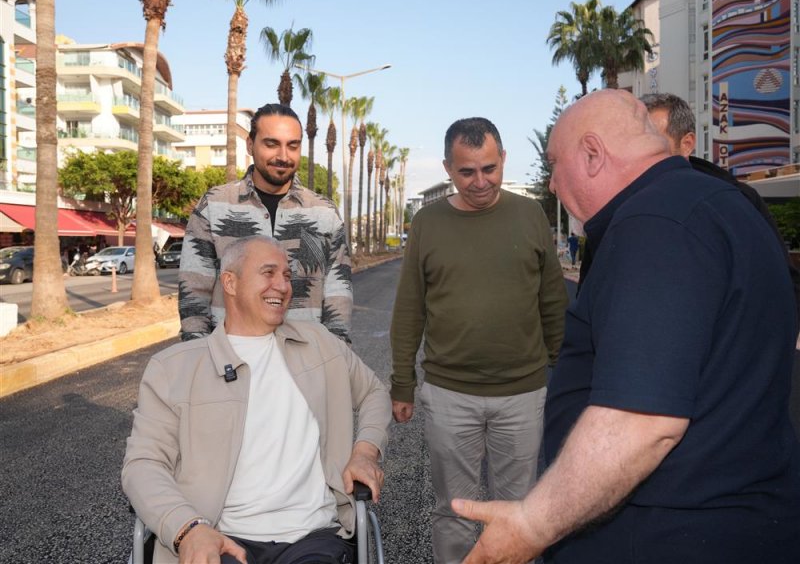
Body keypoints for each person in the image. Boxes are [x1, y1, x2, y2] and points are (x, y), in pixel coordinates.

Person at [452, 89, 800, 564]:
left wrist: (532, 525)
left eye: (555, 164)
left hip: (667, 533)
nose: (552, 184)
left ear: (593, 154)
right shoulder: (721, 202)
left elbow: (641, 423)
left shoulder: (656, 223)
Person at [122, 236, 390, 564]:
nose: (282, 286)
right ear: (230, 282)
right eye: (268, 272)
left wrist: (365, 451)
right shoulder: (174, 369)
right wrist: (188, 528)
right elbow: (143, 465)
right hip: (218, 537)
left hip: (314, 537)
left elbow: (374, 392)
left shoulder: (320, 344)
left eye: (287, 276)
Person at [390, 117, 568, 563]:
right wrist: (402, 383)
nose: (480, 181)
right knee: (454, 512)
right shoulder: (427, 222)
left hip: (523, 393)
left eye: (489, 168)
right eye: (467, 172)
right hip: (450, 394)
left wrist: (563, 368)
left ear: (503, 159)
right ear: (449, 168)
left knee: (521, 510)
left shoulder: (529, 215)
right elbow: (410, 306)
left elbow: (553, 300)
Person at [179, 103, 352, 343]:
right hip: (232, 361)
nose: (283, 156)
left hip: (305, 361)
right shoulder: (214, 206)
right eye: (271, 144)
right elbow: (194, 289)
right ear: (250, 145)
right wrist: (200, 357)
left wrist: (334, 354)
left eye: (292, 146)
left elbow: (338, 292)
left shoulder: (324, 213)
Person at [640, 92, 800, 314]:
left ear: (687, 144)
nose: (639, 153)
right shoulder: (619, 205)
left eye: (652, 142)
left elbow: (781, 280)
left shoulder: (739, 201)